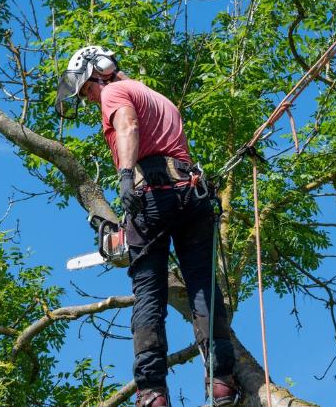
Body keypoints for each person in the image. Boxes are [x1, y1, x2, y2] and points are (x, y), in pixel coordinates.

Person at [56, 46, 240, 407]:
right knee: (203, 285)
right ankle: (223, 382)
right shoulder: (155, 95)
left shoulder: (113, 92)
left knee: (149, 293)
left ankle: (152, 391)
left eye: (87, 91)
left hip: (153, 194)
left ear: (99, 74)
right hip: (191, 193)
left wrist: (125, 177)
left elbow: (127, 124)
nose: (92, 99)